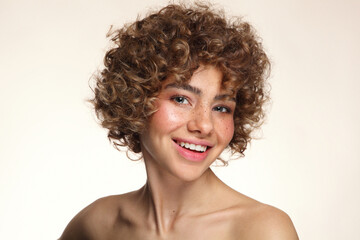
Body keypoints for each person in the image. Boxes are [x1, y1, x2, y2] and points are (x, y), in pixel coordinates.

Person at [60, 3, 298, 239]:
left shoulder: (262, 230)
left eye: (221, 107)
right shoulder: (98, 225)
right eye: (181, 99)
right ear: (136, 100)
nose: (204, 125)